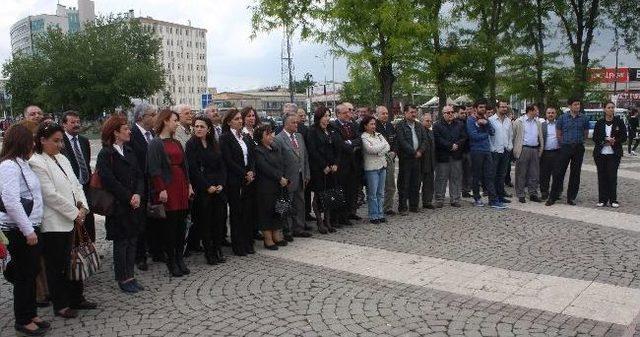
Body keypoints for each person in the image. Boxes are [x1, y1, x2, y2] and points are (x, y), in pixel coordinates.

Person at [30, 122, 96, 319]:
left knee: (75, 259)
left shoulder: (62, 158)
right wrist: (74, 213)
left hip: (74, 218)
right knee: (57, 266)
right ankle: (61, 303)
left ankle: (77, 297)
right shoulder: (37, 162)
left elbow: (75, 184)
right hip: (54, 223)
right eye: (56, 141)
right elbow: (50, 195)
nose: (60, 145)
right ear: (42, 140)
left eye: (61, 141)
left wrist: (83, 207)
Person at [0, 124, 48, 336]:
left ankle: (31, 313)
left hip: (29, 226)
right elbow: (11, 201)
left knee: (31, 271)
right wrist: (28, 230)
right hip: (18, 229)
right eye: (31, 140)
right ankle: (22, 318)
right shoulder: (9, 165)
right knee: (23, 275)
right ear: (22, 141)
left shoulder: (23, 163)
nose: (34, 144)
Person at [96, 114, 145, 293]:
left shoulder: (130, 150)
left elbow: (140, 175)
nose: (129, 131)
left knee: (133, 240)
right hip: (118, 206)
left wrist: (138, 194)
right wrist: (129, 197)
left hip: (134, 204)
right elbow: (109, 181)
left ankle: (131, 275)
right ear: (115, 133)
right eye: (125, 129)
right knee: (121, 242)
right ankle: (122, 278)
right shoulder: (106, 154)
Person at [147, 109, 193, 277]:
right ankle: (171, 260)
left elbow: (184, 165)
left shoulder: (177, 143)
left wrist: (188, 185)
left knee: (181, 225)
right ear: (165, 121)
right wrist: (161, 189)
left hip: (180, 185)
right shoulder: (155, 143)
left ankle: (180, 258)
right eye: (175, 120)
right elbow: (154, 169)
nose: (177, 123)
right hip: (167, 188)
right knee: (170, 227)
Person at [185, 115, 227, 265]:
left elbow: (222, 166)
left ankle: (218, 250)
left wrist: (221, 183)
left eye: (202, 126)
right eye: (196, 126)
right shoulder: (191, 145)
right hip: (203, 189)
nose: (198, 129)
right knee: (205, 223)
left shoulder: (214, 144)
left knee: (218, 221)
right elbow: (193, 170)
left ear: (208, 129)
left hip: (218, 187)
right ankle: (209, 253)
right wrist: (206, 186)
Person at [220, 109, 256, 254]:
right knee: (236, 213)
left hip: (248, 177)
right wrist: (244, 174)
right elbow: (228, 160)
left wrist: (251, 171)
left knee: (247, 212)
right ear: (229, 122)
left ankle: (248, 242)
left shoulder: (245, 137)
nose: (240, 121)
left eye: (240, 118)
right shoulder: (225, 138)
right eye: (236, 119)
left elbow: (252, 156)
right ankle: (238, 244)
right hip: (235, 179)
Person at [128, 103, 159, 271]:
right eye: (152, 114)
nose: (155, 117)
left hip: (153, 183)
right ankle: (139, 256)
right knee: (139, 222)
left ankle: (153, 249)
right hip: (138, 184)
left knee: (152, 219)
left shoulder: (153, 134)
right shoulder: (131, 135)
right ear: (141, 117)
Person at [546, 97, 590, 206]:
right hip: (565, 147)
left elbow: (585, 133)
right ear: (569, 106)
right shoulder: (562, 118)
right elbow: (558, 133)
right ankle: (553, 196)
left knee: (575, 173)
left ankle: (571, 197)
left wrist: (580, 142)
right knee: (559, 172)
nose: (577, 106)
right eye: (575, 104)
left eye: (578, 104)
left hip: (578, 147)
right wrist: (563, 144)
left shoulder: (584, 118)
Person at [275, 113, 312, 238]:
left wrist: (306, 174)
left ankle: (299, 228)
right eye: (293, 123)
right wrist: (281, 177)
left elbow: (305, 156)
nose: (297, 125)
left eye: (297, 122)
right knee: (286, 203)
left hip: (301, 177)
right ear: (286, 124)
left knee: (300, 203)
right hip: (288, 178)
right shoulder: (278, 139)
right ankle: (287, 230)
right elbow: (278, 161)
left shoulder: (299, 136)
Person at [61, 111, 96, 243]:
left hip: (86, 185)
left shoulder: (84, 141)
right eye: (72, 122)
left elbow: (85, 163)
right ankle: (77, 245)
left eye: (78, 122)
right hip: (71, 188)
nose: (76, 125)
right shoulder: (61, 142)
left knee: (88, 216)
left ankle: (90, 244)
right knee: (76, 218)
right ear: (64, 124)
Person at [254, 124, 289, 249]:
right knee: (266, 212)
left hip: (279, 186)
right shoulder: (258, 150)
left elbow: (281, 163)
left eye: (271, 133)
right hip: (266, 187)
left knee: (278, 210)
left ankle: (277, 235)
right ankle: (268, 239)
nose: (271, 136)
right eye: (267, 134)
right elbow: (265, 168)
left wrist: (283, 177)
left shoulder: (274, 147)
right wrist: (279, 177)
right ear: (260, 137)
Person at [467, 99, 505, 209]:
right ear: (475, 109)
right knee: (476, 175)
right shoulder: (470, 120)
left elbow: (492, 132)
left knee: (489, 175)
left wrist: (486, 123)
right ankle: (477, 198)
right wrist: (485, 133)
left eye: (484, 107)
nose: (483, 109)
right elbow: (473, 136)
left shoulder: (486, 119)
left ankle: (493, 200)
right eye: (480, 107)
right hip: (476, 151)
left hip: (487, 151)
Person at [306, 107, 339, 234]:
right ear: (319, 117)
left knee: (330, 195)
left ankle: (328, 221)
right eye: (325, 115)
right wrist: (323, 165)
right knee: (319, 195)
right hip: (319, 169)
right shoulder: (312, 131)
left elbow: (338, 148)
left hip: (332, 168)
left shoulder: (331, 129)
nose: (327, 118)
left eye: (328, 115)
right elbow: (312, 151)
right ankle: (319, 221)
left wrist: (335, 163)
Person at [331, 103, 363, 224]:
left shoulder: (352, 125)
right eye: (345, 113)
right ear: (338, 114)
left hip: (353, 164)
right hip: (341, 164)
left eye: (349, 112)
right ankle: (338, 217)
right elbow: (339, 144)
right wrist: (351, 146)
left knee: (351, 191)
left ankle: (347, 215)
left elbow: (359, 139)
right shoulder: (334, 126)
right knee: (340, 191)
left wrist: (350, 143)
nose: (348, 115)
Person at [593, 101, 627, 207]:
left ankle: (613, 200)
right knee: (602, 176)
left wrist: (614, 140)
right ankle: (602, 199)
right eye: (609, 107)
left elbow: (624, 137)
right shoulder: (599, 122)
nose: (611, 109)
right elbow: (595, 137)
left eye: (613, 107)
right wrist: (604, 140)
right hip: (601, 153)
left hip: (614, 153)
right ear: (604, 109)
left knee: (612, 176)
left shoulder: (619, 122)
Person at [433, 105, 467, 208]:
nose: (450, 114)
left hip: (456, 156)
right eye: (448, 112)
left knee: (456, 178)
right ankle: (439, 199)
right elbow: (438, 139)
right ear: (443, 114)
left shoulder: (460, 124)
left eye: (452, 112)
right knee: (441, 178)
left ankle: (455, 199)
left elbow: (464, 137)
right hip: (443, 156)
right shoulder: (437, 125)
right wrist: (450, 146)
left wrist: (457, 144)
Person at [395, 104, 427, 214]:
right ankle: (403, 207)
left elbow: (424, 140)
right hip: (406, 159)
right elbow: (402, 142)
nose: (414, 114)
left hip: (418, 159)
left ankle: (414, 206)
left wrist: (420, 151)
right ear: (405, 113)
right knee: (404, 183)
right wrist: (414, 152)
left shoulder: (419, 125)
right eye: (412, 112)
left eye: (415, 112)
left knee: (416, 183)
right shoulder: (400, 125)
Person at [361, 115, 390, 223]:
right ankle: (373, 215)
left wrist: (379, 151)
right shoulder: (364, 137)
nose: (374, 126)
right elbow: (370, 150)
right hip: (371, 168)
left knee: (380, 193)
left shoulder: (379, 135)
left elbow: (388, 147)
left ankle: (380, 213)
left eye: (374, 124)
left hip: (382, 165)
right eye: (371, 124)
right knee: (372, 193)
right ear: (365, 126)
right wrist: (380, 149)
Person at [512, 105, 544, 203]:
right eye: (536, 110)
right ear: (530, 111)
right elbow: (514, 136)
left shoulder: (537, 122)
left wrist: (540, 148)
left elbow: (540, 136)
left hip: (535, 149)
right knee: (521, 172)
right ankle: (520, 193)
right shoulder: (519, 122)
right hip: (523, 149)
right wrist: (516, 149)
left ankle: (533, 193)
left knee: (534, 173)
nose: (537, 112)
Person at [240, 107, 261, 241]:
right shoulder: (242, 133)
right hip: (248, 172)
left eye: (253, 115)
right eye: (248, 116)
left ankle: (256, 228)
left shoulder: (257, 131)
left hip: (260, 170)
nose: (252, 118)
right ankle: (249, 230)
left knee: (257, 202)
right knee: (248, 204)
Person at [488, 101, 513, 204]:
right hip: (495, 151)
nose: (504, 109)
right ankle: (493, 198)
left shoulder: (508, 121)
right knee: (493, 175)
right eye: (502, 107)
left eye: (505, 107)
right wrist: (492, 148)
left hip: (505, 151)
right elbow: (489, 136)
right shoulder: (491, 120)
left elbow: (510, 135)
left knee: (502, 175)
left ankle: (500, 196)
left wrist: (510, 146)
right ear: (497, 108)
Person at [375, 106, 397, 216]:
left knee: (390, 185)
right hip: (377, 159)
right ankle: (377, 209)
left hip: (390, 158)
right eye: (383, 113)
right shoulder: (374, 126)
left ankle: (388, 207)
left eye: (387, 113)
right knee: (378, 186)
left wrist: (394, 152)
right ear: (377, 115)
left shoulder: (390, 126)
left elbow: (395, 140)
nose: (385, 115)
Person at [296, 108, 315, 223]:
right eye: (301, 116)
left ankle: (306, 214)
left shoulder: (306, 129)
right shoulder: (297, 129)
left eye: (304, 116)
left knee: (306, 193)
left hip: (305, 165)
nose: (303, 118)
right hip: (293, 169)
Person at [540, 107, 560, 201]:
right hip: (545, 153)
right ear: (546, 114)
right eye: (549, 113)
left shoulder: (559, 124)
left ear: (555, 114)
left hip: (557, 152)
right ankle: (544, 193)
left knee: (557, 174)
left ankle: (556, 193)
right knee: (544, 174)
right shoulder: (542, 125)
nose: (551, 114)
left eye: (552, 113)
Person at [421, 113, 436, 209]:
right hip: (421, 161)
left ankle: (427, 201)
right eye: (427, 121)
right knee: (418, 183)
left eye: (430, 121)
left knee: (429, 183)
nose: (429, 123)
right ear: (422, 121)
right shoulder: (419, 131)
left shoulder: (431, 132)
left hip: (430, 162)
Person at [458, 105, 473, 198]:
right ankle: (460, 190)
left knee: (468, 172)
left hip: (468, 150)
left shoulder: (468, 122)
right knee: (460, 173)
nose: (464, 115)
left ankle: (466, 190)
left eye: (465, 113)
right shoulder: (455, 123)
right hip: (459, 152)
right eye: (461, 113)